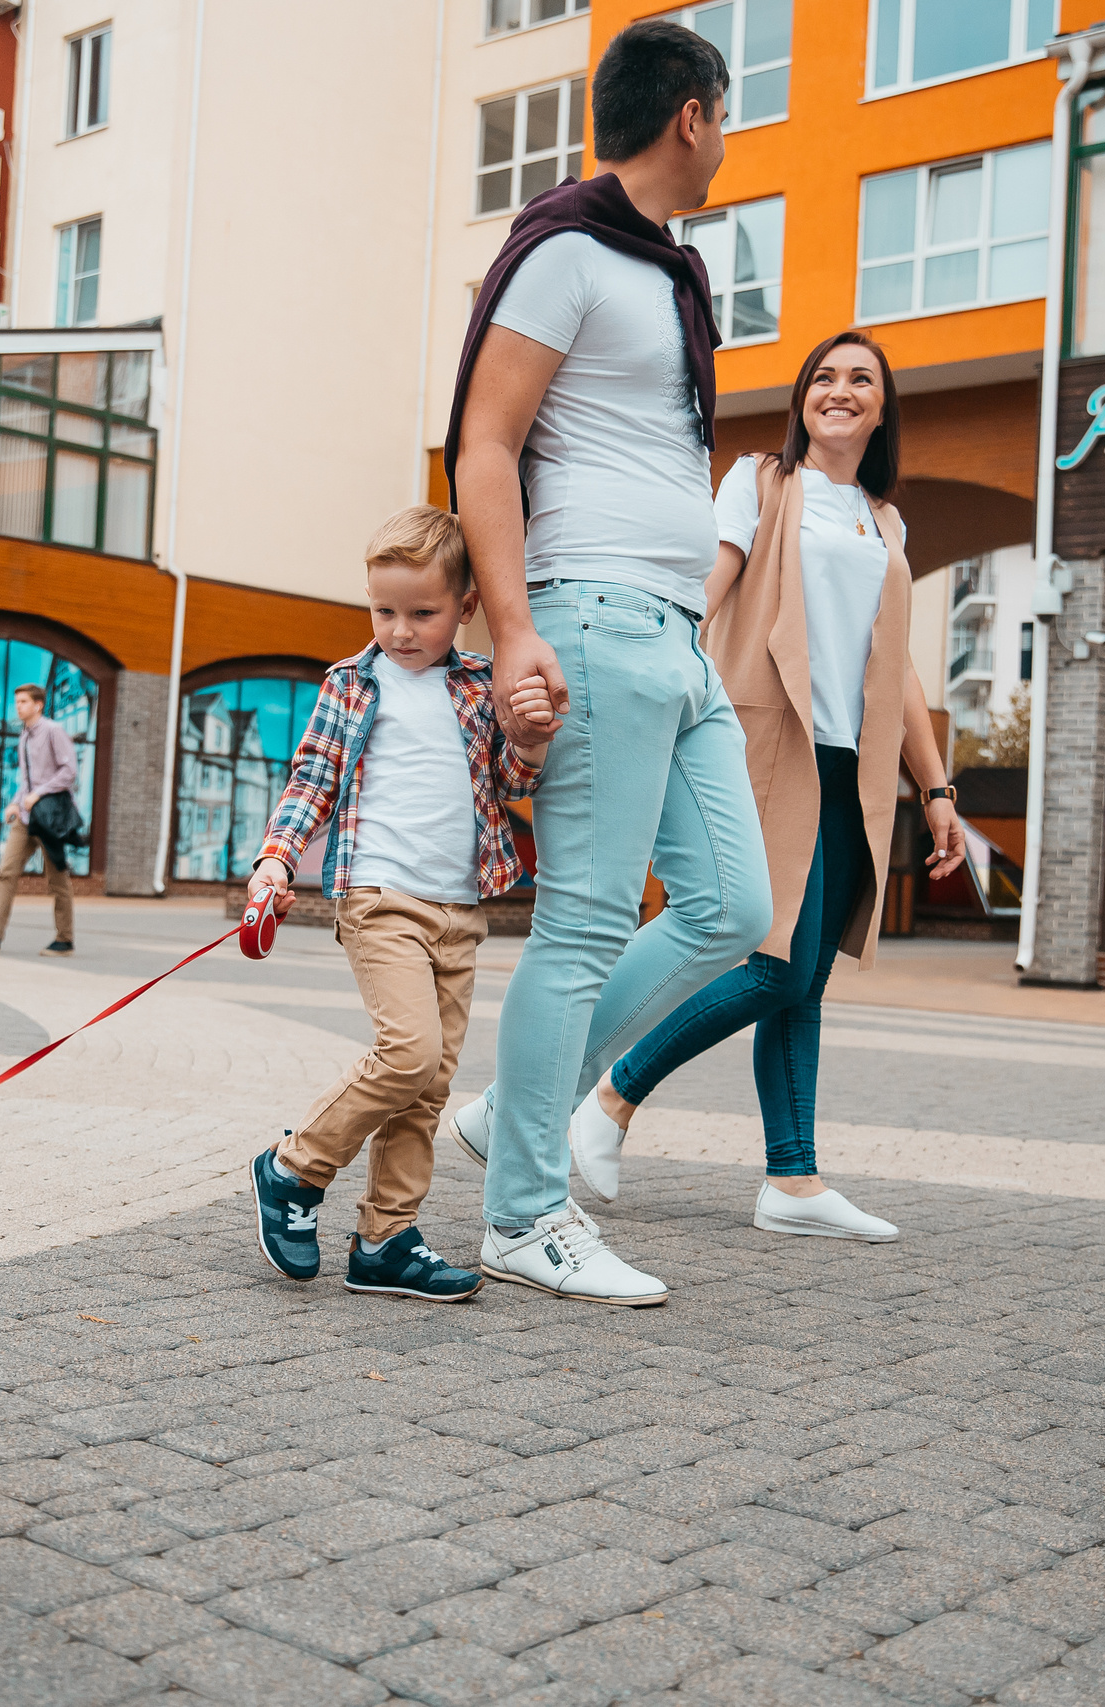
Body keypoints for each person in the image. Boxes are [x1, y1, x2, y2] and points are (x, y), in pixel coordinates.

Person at [440, 19, 767, 1307]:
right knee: (580, 920)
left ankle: (517, 1106)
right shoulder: (567, 253)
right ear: (691, 114)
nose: (727, 139)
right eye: (727, 117)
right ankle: (523, 1213)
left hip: (675, 642)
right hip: (592, 617)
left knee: (732, 909)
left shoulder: (664, 266)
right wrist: (515, 630)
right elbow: (483, 442)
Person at [572, 330, 964, 1240]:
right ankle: (613, 1095)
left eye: (860, 379)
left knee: (805, 977)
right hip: (764, 741)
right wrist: (653, 661)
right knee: (778, 962)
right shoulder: (759, 480)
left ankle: (791, 1182)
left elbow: (895, 664)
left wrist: (936, 788)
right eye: (824, 376)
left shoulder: (884, 520)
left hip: (849, 761)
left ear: (881, 407)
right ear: (802, 398)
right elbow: (714, 581)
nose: (840, 390)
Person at [244, 506, 558, 1302]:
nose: (401, 630)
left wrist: (529, 740)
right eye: (384, 611)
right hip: (378, 898)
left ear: (465, 607)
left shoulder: (482, 685)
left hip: (458, 910)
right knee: (407, 1053)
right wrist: (276, 860)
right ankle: (292, 1168)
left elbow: (515, 785)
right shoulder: (352, 683)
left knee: (428, 1087)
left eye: (422, 613)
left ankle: (386, 1238)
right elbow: (311, 781)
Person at [0, 684, 78, 957]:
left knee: (56, 879)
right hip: (25, 817)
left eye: (23, 701)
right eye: (17, 702)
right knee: (6, 872)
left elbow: (69, 771)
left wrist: (38, 793)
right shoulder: (24, 736)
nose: (18, 706)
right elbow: (26, 779)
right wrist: (15, 801)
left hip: (50, 818)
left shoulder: (53, 731)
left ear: (38, 705)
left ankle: (65, 939)